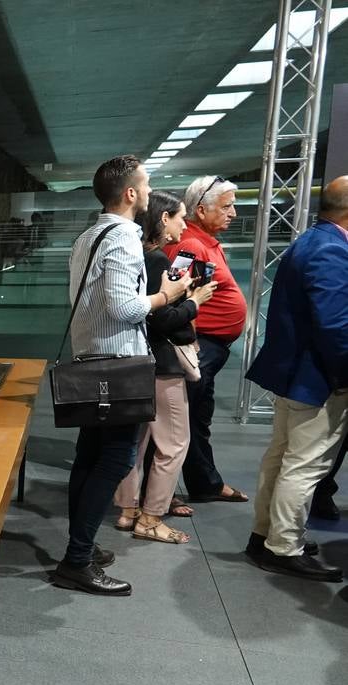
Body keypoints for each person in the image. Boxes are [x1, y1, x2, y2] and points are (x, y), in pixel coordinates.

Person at [51, 155, 194, 596]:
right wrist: (166, 294)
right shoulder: (124, 238)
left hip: (95, 361)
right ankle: (77, 559)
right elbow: (123, 308)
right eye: (147, 184)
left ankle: (82, 550)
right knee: (113, 459)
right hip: (118, 366)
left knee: (91, 458)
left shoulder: (90, 235)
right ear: (131, 193)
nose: (150, 192)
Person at [243, 175, 348, 582]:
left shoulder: (310, 240)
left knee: (282, 457)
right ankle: (284, 547)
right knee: (304, 466)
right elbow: (337, 327)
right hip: (318, 379)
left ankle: (266, 536)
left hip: (294, 375)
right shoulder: (333, 251)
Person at [113, 191, 216, 543]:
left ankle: (128, 509)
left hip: (136, 361)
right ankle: (151, 516)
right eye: (180, 217)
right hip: (162, 365)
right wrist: (194, 303)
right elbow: (159, 319)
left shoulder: (136, 256)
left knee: (136, 442)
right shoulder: (156, 260)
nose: (184, 225)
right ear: (163, 219)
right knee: (173, 444)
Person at [165, 175, 248, 504]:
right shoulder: (189, 245)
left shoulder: (206, 242)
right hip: (200, 346)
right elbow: (171, 291)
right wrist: (190, 338)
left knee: (197, 417)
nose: (233, 213)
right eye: (227, 207)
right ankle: (161, 492)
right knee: (179, 421)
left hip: (211, 348)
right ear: (200, 210)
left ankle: (204, 483)